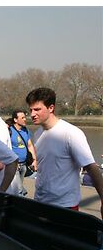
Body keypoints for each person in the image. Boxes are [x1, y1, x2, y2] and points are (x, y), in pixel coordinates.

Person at [26, 87, 103, 218]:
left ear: (51, 108)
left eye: (37, 109)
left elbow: (91, 167)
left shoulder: (71, 133)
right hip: (41, 202)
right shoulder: (38, 135)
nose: (32, 114)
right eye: (31, 110)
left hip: (65, 205)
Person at [8, 110, 37, 196]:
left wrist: (34, 160)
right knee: (19, 189)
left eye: (25, 117)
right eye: (22, 118)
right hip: (14, 165)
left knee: (19, 187)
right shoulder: (9, 131)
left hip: (24, 165)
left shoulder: (25, 131)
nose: (25, 119)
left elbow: (30, 145)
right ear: (15, 120)